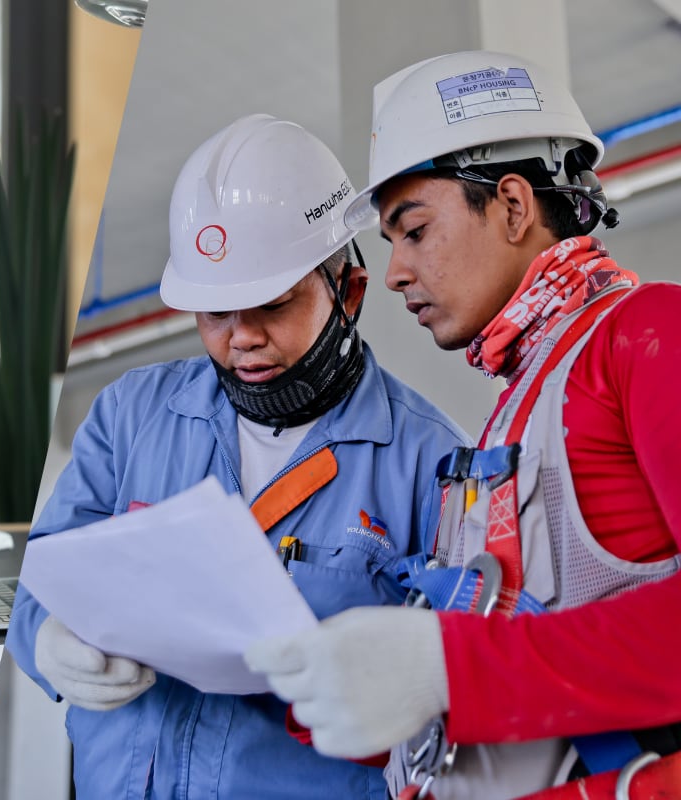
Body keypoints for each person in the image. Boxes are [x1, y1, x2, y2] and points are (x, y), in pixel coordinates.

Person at [245, 50, 681, 800]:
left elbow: (485, 669)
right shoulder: (515, 415)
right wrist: (345, 686)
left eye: (413, 231)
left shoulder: (650, 335)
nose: (394, 274)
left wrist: (447, 667)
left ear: (512, 205)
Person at [5, 114, 469, 799]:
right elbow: (42, 578)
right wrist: (48, 641)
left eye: (272, 306)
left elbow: (458, 684)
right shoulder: (130, 417)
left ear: (350, 291)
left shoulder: (431, 463)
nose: (241, 338)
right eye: (215, 312)